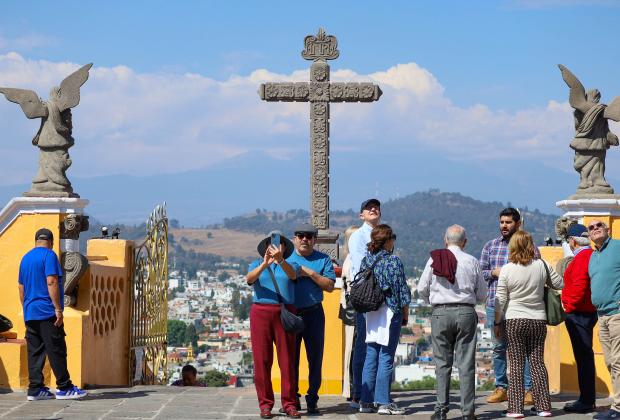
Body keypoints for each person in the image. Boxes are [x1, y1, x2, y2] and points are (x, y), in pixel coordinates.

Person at [418, 225, 487, 420]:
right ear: (465, 242)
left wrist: (432, 302)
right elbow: (482, 293)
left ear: (445, 240)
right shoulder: (472, 261)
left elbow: (422, 287)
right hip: (465, 312)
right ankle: (467, 412)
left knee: (442, 363)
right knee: (466, 364)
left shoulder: (434, 259)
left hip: (440, 312)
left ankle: (440, 409)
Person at [494, 231, 563, 418]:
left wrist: (497, 321)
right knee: (537, 363)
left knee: (516, 364)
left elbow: (500, 298)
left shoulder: (507, 269)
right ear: (531, 245)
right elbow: (559, 283)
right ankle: (544, 407)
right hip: (538, 320)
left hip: (515, 320)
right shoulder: (541, 265)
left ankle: (515, 409)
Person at [18, 228, 87, 401]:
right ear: (51, 241)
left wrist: (26, 307)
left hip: (30, 312)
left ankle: (35, 389)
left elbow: (21, 288)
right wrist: (57, 308)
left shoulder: (25, 258)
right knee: (56, 349)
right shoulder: (49, 256)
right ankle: (64, 387)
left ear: (36, 241)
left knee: (35, 351)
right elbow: (52, 281)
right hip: (47, 311)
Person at [480, 207, 538, 405]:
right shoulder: (490, 246)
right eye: (502, 222)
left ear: (518, 223)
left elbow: (537, 268)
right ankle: (501, 387)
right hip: (494, 304)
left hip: (520, 305)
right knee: (498, 348)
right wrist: (494, 273)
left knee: (524, 348)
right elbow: (482, 273)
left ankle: (528, 390)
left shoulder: (529, 246)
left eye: (508, 222)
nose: (504, 226)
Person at [246, 230, 301, 419]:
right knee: (262, 361)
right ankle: (265, 405)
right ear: (266, 248)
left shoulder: (292, 264)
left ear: (285, 248)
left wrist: (280, 261)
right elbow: (249, 279)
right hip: (260, 312)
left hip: (284, 312)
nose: (276, 247)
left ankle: (289, 404)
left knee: (287, 360)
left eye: (280, 244)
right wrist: (265, 264)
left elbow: (293, 276)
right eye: (272, 244)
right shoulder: (256, 264)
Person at [359, 224, 410, 415]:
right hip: (389, 312)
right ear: (388, 241)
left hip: (370, 313)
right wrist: (405, 313)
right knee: (386, 357)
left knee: (371, 355)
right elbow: (402, 292)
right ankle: (383, 402)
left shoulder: (367, 260)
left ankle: (366, 401)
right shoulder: (393, 262)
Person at [287, 223, 336, 415]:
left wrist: (309, 272)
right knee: (291, 360)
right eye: (300, 235)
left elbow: (330, 286)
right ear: (295, 238)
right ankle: (293, 398)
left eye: (309, 236)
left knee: (315, 359)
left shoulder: (323, 259)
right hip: (291, 314)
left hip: (314, 313)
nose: (304, 239)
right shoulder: (287, 258)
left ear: (315, 240)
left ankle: (312, 399)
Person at [348, 198, 382, 409]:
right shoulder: (358, 236)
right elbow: (363, 265)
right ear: (361, 215)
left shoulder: (383, 234)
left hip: (380, 295)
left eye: (376, 207)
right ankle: (358, 392)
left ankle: (375, 393)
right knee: (363, 343)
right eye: (369, 208)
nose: (373, 209)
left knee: (378, 344)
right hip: (365, 294)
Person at [560, 223, 597, 414]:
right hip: (587, 311)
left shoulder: (582, 258)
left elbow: (580, 285)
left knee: (583, 357)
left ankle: (586, 399)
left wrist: (568, 306)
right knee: (585, 356)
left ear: (572, 241)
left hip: (579, 313)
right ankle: (587, 398)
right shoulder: (591, 255)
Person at [588, 220, 620, 420]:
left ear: (607, 229)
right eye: (590, 228)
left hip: (617, 312)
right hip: (602, 315)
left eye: (599, 225)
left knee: (618, 361)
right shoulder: (593, 256)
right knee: (610, 361)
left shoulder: (617, 247)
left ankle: (618, 407)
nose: (595, 228)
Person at [340, 225, 359, 400]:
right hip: (354, 308)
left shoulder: (348, 259)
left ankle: (351, 387)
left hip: (348, 308)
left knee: (352, 350)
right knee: (354, 350)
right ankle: (353, 387)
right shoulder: (353, 259)